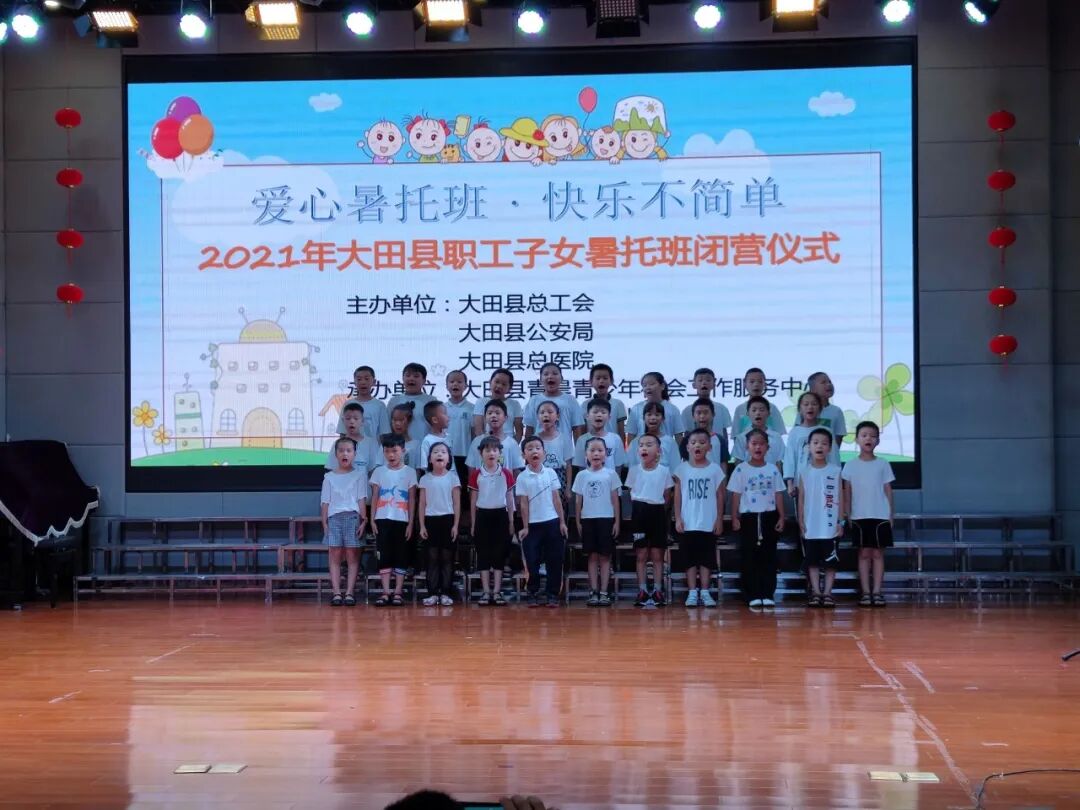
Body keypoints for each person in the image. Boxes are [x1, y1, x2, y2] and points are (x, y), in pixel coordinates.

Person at [728, 429, 786, 608]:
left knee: (768, 556)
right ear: (747, 447)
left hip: (769, 517)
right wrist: (735, 517)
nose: (758, 447)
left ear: (767, 447)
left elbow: (778, 494)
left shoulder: (772, 469)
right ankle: (752, 594)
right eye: (754, 444)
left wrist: (782, 516)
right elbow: (736, 495)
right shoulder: (740, 469)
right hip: (748, 518)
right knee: (749, 556)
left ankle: (767, 593)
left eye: (761, 444)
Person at [842, 421, 895, 608]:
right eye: (864, 435)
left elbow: (888, 489)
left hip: (880, 515)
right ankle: (865, 592)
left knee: (878, 554)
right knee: (864, 554)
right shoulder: (850, 465)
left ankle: (877, 592)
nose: (868, 439)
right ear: (856, 439)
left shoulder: (883, 463)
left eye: (872, 436)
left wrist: (890, 514)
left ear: (878, 441)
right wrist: (847, 513)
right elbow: (847, 491)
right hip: (859, 516)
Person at [673, 428, 724, 608]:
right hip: (688, 522)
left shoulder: (715, 469)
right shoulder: (682, 469)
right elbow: (678, 496)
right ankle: (692, 592)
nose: (698, 446)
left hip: (708, 522)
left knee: (706, 559)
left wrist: (719, 519)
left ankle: (705, 591)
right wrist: (678, 518)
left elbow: (720, 496)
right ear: (687, 447)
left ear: (709, 447)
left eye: (702, 442)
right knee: (689, 559)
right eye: (693, 442)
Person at [517, 437, 569, 607]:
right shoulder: (522, 477)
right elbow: (523, 504)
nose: (534, 451)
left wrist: (562, 522)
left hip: (552, 522)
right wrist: (525, 526)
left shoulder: (551, 473)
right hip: (532, 526)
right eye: (530, 448)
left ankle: (552, 594)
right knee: (532, 561)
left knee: (555, 560)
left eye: (538, 448)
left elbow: (556, 499)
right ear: (524, 455)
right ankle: (532, 592)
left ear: (544, 453)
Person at [572, 437, 621, 606]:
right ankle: (593, 591)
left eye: (600, 450)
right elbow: (578, 501)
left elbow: (615, 500)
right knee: (592, 557)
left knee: (605, 557)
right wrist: (578, 522)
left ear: (606, 454)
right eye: (592, 450)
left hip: (606, 519)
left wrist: (617, 522)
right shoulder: (581, 475)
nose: (596, 454)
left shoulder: (611, 474)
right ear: (586, 454)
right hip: (588, 520)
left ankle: (604, 591)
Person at [369, 434, 418, 606]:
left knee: (401, 555)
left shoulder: (410, 472)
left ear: (403, 451)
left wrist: (411, 523)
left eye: (395, 451)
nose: (391, 455)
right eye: (387, 451)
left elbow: (412, 499)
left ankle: (398, 591)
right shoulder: (379, 472)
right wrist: (372, 519)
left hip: (402, 520)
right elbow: (375, 496)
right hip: (382, 519)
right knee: (384, 555)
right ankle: (385, 592)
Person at [626, 434, 674, 607]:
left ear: (658, 451)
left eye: (649, 444)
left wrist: (657, 507)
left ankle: (658, 590)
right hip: (639, 513)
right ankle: (642, 590)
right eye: (641, 445)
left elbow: (667, 496)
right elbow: (631, 493)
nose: (644, 448)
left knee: (657, 555)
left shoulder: (664, 471)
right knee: (641, 554)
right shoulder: (634, 470)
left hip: (657, 512)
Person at [797, 428, 843, 608]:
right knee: (813, 561)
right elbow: (801, 499)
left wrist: (840, 521)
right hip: (811, 524)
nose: (819, 447)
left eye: (824, 443)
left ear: (830, 448)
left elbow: (840, 497)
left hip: (830, 525)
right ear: (809, 447)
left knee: (831, 562)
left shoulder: (836, 470)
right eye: (815, 443)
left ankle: (827, 593)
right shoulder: (804, 471)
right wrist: (801, 521)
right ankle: (816, 592)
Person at [320, 437, 368, 607]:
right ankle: (336, 593)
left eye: (348, 450)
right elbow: (325, 502)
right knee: (334, 556)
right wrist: (324, 523)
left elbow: (361, 499)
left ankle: (349, 592)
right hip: (334, 519)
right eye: (341, 451)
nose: (345, 454)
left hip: (353, 518)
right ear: (336, 454)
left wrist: (364, 520)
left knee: (352, 556)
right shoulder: (329, 477)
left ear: (354, 454)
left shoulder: (359, 475)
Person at [469, 435, 516, 605]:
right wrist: (473, 523)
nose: (491, 453)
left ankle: (496, 592)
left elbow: (510, 499)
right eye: (487, 450)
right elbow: (473, 500)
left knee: (498, 555)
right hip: (482, 516)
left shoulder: (506, 473)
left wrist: (511, 521)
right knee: (483, 554)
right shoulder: (476, 474)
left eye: (495, 450)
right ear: (481, 453)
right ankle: (486, 592)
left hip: (501, 516)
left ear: (499, 453)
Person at [418, 441, 461, 606]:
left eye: (443, 452)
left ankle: (446, 593)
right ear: (430, 459)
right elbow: (422, 504)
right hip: (430, 520)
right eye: (435, 452)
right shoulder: (425, 479)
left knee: (447, 558)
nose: (439, 454)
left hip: (448, 520)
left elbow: (456, 503)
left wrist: (455, 525)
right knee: (432, 558)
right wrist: (422, 525)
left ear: (449, 458)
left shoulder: (453, 478)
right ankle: (432, 593)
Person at [783, 391, 838, 498]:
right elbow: (789, 459)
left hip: (824, 482)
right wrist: (790, 483)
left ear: (820, 408)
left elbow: (833, 457)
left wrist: (836, 480)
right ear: (800, 409)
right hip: (800, 484)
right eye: (806, 404)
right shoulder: (795, 432)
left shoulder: (827, 431)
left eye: (814, 404)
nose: (810, 407)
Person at [523, 362, 585, 445]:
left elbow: (577, 429)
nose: (550, 376)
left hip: (564, 449)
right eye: (546, 374)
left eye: (555, 373)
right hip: (539, 449)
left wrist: (579, 450)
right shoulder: (534, 400)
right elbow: (529, 429)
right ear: (540, 379)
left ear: (561, 378)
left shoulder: (570, 400)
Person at [465, 400, 525, 473]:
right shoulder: (477, 442)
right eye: (490, 413)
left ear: (505, 418)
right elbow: (471, 469)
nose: (493, 416)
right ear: (485, 418)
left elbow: (517, 470)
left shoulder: (512, 444)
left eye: (497, 413)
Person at [572, 398, 628, 474]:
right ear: (587, 416)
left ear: (609, 417)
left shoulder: (615, 439)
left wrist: (616, 480)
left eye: (603, 412)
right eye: (595, 412)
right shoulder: (581, 440)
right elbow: (581, 468)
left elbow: (618, 466)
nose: (599, 415)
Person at [533, 400, 574, 504]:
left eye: (550, 412)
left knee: (559, 507)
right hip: (539, 477)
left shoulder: (564, 438)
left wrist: (568, 487)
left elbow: (568, 464)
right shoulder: (534, 439)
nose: (546, 415)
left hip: (559, 477)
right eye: (542, 412)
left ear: (557, 416)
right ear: (538, 417)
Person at [325, 401, 380, 477]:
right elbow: (332, 469)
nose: (352, 421)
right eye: (348, 418)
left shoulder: (371, 443)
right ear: (343, 420)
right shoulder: (337, 444)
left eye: (356, 418)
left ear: (362, 421)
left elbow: (374, 470)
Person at [337, 365, 390, 442]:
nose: (363, 382)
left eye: (367, 379)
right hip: (351, 448)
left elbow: (384, 433)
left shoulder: (380, 405)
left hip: (373, 449)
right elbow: (342, 432)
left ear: (374, 382)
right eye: (359, 379)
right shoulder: (348, 404)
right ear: (354, 382)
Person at [626, 371, 684, 441]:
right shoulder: (636, 408)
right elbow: (631, 434)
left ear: (662, 386)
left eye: (652, 384)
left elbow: (678, 435)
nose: (648, 387)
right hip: (642, 447)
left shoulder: (673, 409)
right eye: (644, 385)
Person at [731, 395, 785, 469]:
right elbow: (738, 462)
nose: (758, 413)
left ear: (768, 413)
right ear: (747, 414)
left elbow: (778, 462)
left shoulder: (776, 437)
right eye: (754, 410)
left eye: (762, 410)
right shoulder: (741, 437)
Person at [680, 368, 732, 444]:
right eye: (700, 380)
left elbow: (724, 436)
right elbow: (686, 436)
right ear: (694, 385)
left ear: (714, 384)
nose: (704, 383)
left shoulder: (722, 409)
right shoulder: (687, 411)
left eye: (708, 380)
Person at [387, 362, 436, 442]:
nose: (411, 378)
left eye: (416, 376)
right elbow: (387, 427)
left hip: (424, 446)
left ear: (424, 381)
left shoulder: (431, 401)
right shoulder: (394, 401)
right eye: (408, 375)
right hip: (399, 446)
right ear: (403, 379)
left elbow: (437, 427)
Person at [732, 367, 786, 436]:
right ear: (744, 384)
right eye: (752, 381)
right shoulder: (739, 409)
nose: (756, 384)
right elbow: (736, 436)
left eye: (760, 381)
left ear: (765, 384)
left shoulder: (772, 408)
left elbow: (779, 434)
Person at [472, 368, 523, 440]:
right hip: (487, 443)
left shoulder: (515, 404)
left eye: (504, 384)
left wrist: (513, 444)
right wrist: (485, 444)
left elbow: (519, 431)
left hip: (508, 443)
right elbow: (478, 430)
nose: (499, 386)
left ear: (509, 388)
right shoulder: (481, 402)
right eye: (497, 382)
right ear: (490, 382)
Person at [627, 402, 680, 469]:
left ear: (663, 418)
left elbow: (675, 468)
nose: (653, 418)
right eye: (649, 415)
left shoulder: (670, 442)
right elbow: (632, 468)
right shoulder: (635, 443)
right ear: (643, 418)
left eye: (657, 415)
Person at [444, 369, 474, 486]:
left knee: (464, 488)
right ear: (446, 386)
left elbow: (474, 433)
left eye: (459, 382)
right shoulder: (442, 408)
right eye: (452, 382)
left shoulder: (472, 408)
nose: (455, 384)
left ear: (466, 386)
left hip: (465, 455)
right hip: (445, 455)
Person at [687, 398, 730, 474]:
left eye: (706, 412)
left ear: (713, 414)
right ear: (693, 416)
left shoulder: (720, 439)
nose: (702, 416)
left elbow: (723, 465)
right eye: (699, 413)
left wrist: (724, 481)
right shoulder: (687, 440)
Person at [586, 363, 627, 440]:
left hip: (613, 445)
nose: (601, 381)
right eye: (598, 378)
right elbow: (583, 430)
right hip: (591, 445)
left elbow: (621, 431)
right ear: (591, 381)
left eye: (605, 378)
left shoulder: (618, 404)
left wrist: (621, 446)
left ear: (611, 381)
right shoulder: (585, 404)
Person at [806, 371, 847, 441]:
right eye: (823, 382)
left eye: (830, 382)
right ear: (812, 389)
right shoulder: (805, 410)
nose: (829, 384)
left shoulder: (836, 411)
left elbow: (838, 437)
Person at [418, 400, 451, 472]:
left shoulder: (449, 437)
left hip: (451, 477)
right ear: (435, 420)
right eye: (445, 414)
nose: (448, 417)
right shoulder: (428, 441)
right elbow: (425, 465)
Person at [389, 402, 422, 471]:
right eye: (395, 420)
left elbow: (418, 470)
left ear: (409, 421)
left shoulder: (416, 445)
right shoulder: (386, 443)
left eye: (401, 420)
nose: (397, 423)